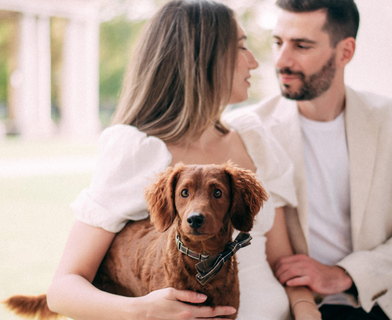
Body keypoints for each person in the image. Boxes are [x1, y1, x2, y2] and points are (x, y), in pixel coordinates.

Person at [46, 1, 321, 319]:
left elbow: (284, 264)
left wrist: (306, 310)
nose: (255, 63)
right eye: (242, 48)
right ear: (204, 59)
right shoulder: (140, 151)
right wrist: (142, 310)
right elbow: (63, 289)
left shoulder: (254, 140)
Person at [224, 0, 392, 319]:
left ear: (345, 52)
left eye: (301, 45)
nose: (281, 60)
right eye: (277, 42)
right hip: (292, 309)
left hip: (381, 303)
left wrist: (343, 274)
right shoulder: (246, 130)